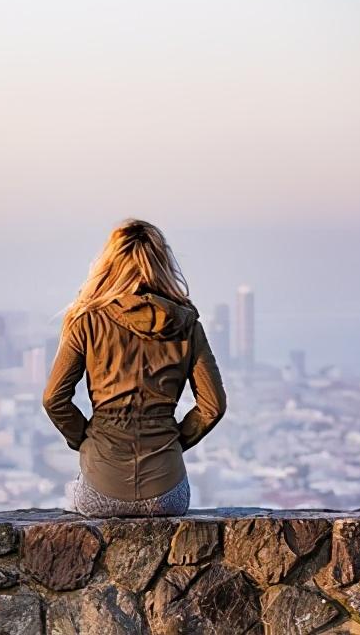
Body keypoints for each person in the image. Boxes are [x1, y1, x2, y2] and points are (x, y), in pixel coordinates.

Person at [43, 219, 226, 517]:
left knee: (73, 495)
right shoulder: (187, 326)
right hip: (167, 494)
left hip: (101, 487)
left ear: (109, 265)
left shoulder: (87, 322)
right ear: (163, 264)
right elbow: (213, 406)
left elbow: (54, 400)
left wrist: (86, 440)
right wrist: (174, 442)